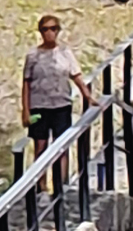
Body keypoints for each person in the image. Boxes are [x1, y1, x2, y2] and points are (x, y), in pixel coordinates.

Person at [20, 14, 93, 160]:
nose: (49, 33)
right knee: (40, 146)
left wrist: (87, 95)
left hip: (61, 105)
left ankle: (62, 175)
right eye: (45, 29)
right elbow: (26, 82)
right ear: (40, 32)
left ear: (58, 31)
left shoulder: (65, 52)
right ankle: (41, 175)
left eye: (53, 28)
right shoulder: (33, 55)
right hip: (39, 105)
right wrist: (26, 110)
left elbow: (76, 75)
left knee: (61, 147)